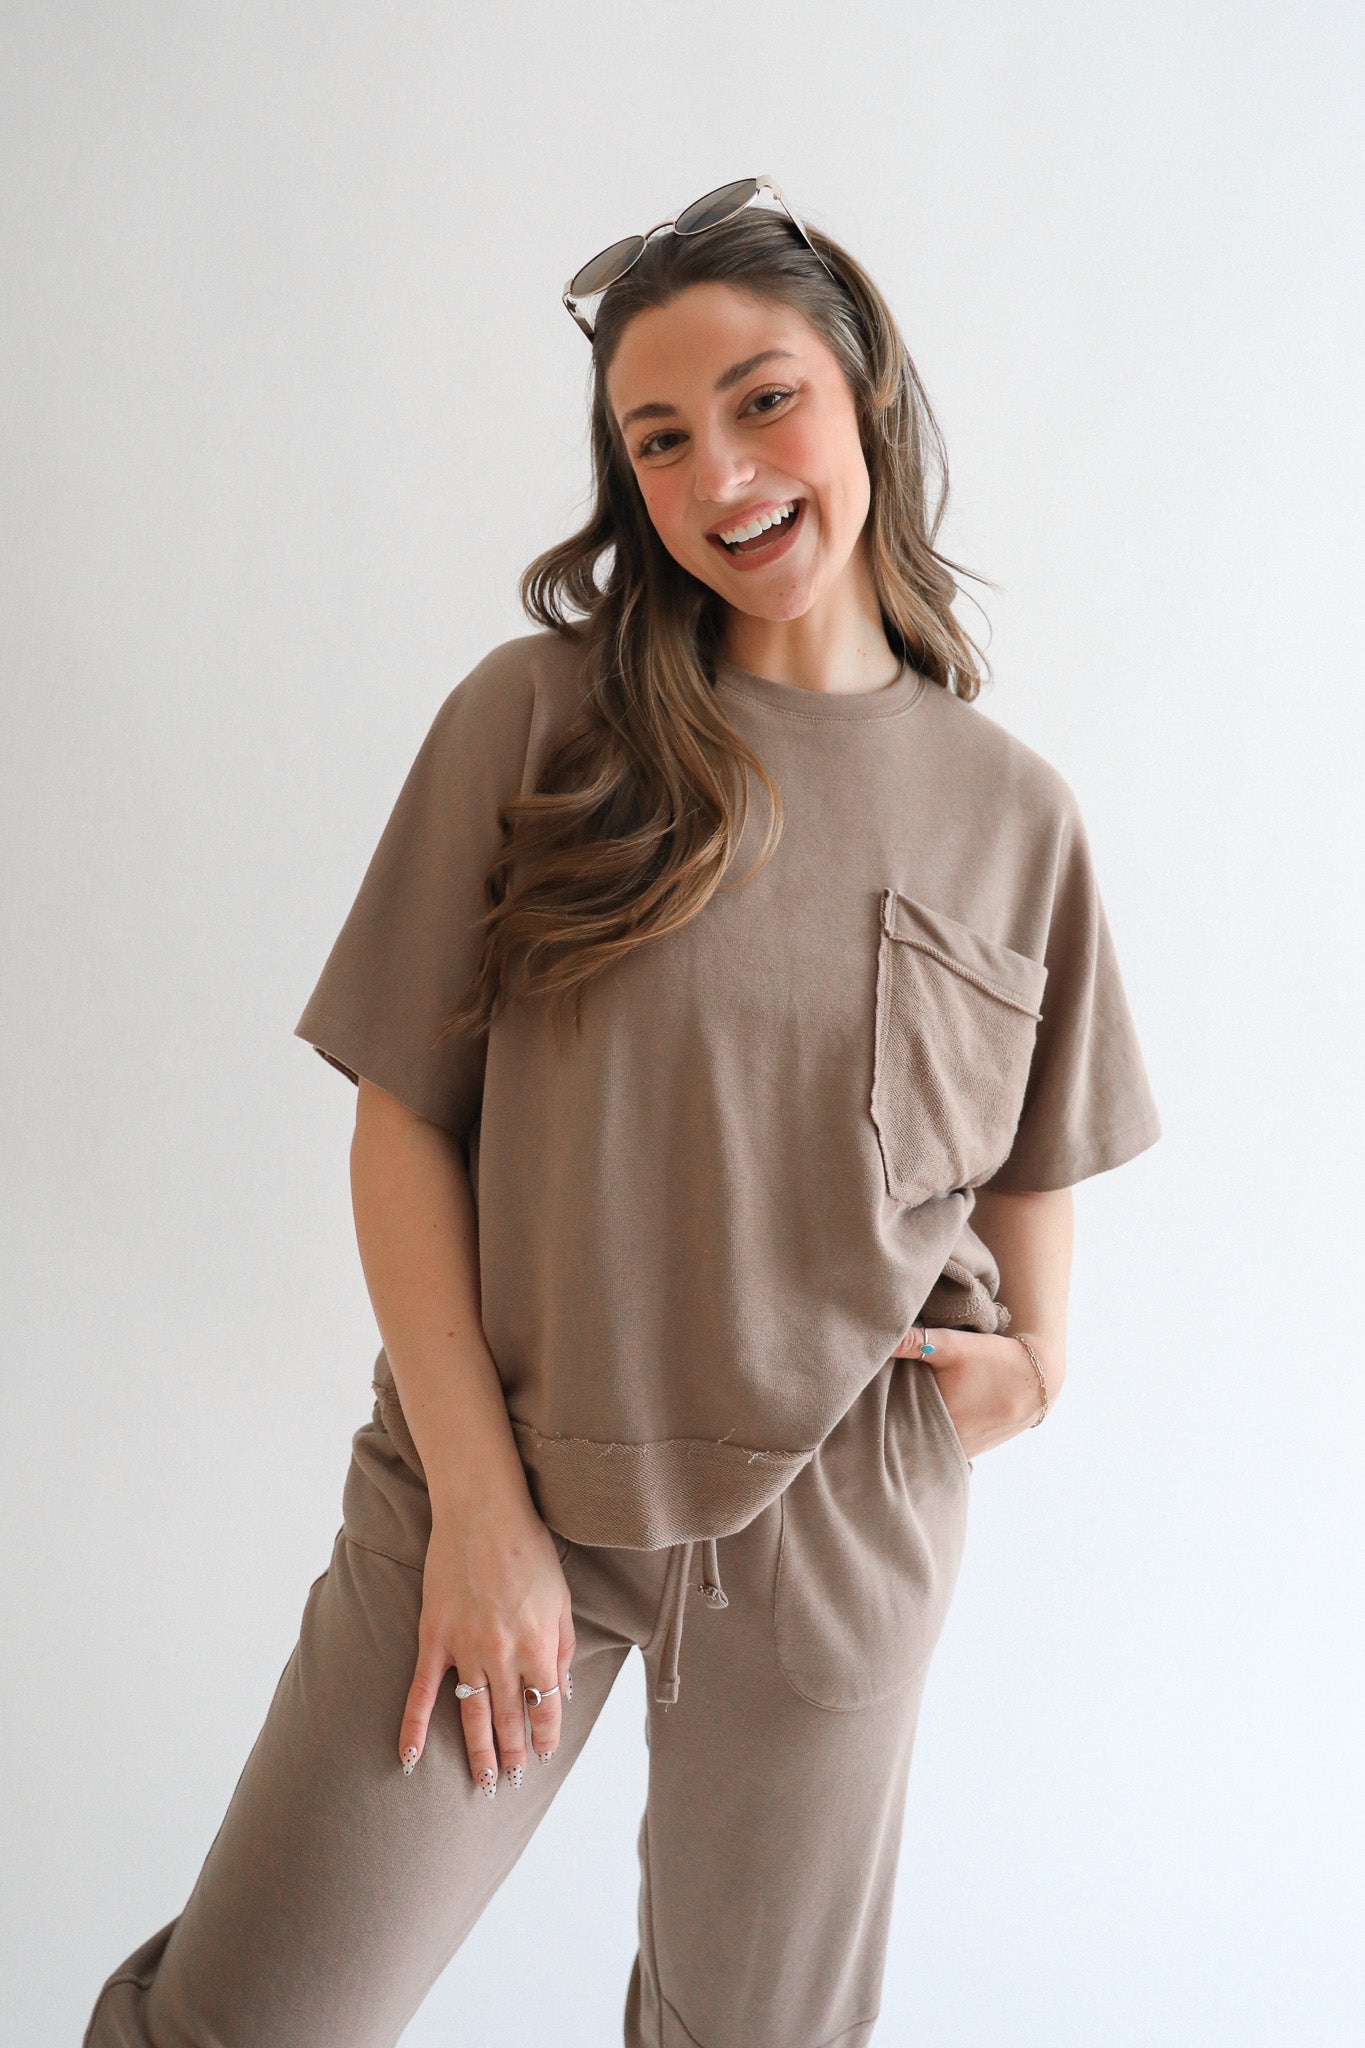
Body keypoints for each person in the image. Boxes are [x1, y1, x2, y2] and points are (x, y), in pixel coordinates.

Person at [84, 176, 1161, 2048]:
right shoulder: (538, 722)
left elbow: (1031, 1150)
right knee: (245, 2023)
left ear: (862, 395)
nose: (718, 473)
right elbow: (405, 1122)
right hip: (506, 1473)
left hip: (837, 1520)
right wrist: (480, 1516)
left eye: (762, 401)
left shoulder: (1013, 812)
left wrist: (1039, 1364)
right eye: (658, 438)